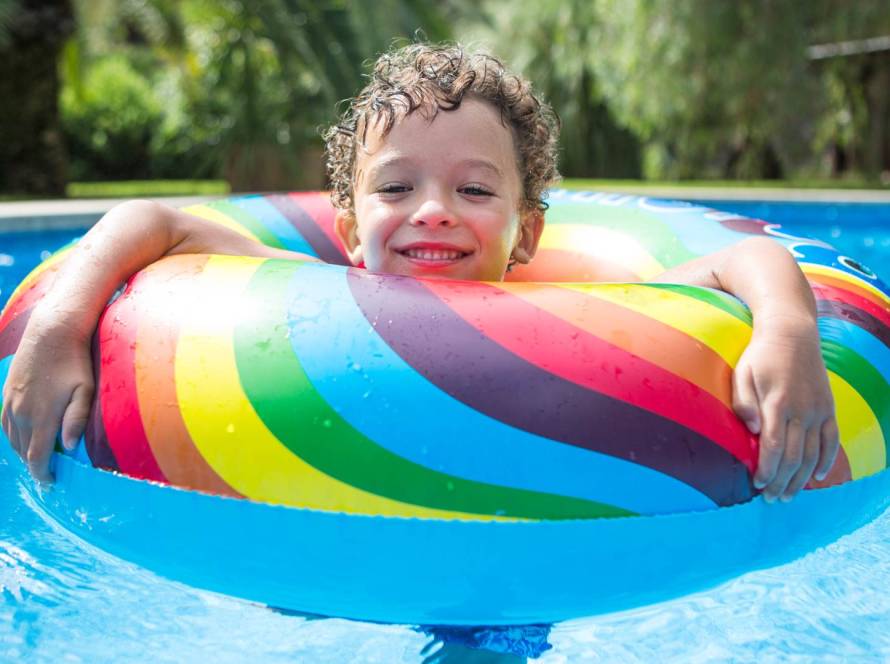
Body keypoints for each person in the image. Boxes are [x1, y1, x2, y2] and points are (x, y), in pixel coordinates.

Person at [2, 42, 837, 502]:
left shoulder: (577, 309)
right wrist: (58, 326)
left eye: (474, 189)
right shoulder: (306, 298)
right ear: (349, 231)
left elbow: (744, 257)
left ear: (526, 232)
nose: (433, 209)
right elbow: (156, 221)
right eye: (397, 187)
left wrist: (790, 331)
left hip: (538, 519)